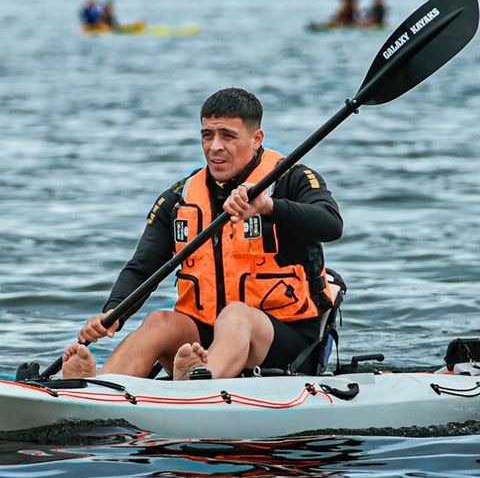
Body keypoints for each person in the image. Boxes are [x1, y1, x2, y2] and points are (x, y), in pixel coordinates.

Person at [62, 88, 343, 382]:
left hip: (286, 337)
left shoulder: (291, 179)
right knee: (160, 321)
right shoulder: (179, 197)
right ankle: (98, 387)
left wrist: (268, 206)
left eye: (227, 136)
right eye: (207, 135)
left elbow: (331, 224)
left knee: (236, 315)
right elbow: (142, 267)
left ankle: (198, 385)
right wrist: (112, 314)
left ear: (256, 139)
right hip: (202, 339)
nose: (215, 147)